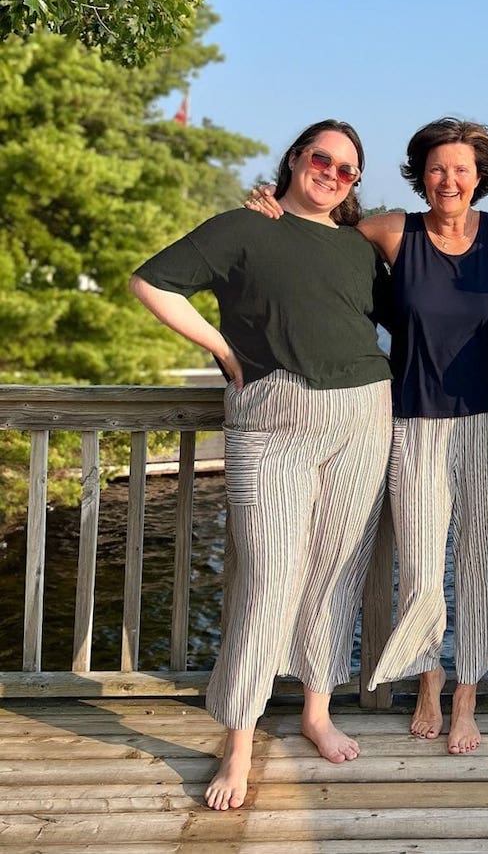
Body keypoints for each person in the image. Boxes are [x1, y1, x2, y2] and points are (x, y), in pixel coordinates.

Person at [247, 117, 488, 754]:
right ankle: (428, 681)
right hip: (412, 424)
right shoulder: (391, 232)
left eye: (461, 169)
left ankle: (465, 698)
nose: (448, 180)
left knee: (485, 568)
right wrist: (271, 210)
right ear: (420, 175)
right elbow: (317, 235)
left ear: (481, 176)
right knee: (423, 571)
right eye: (436, 168)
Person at [130, 120, 393, 809]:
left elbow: (417, 311)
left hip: (364, 415)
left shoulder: (359, 248)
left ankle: (315, 712)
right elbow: (152, 282)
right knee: (266, 581)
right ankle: (238, 742)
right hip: (272, 421)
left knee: (335, 573)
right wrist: (223, 349)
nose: (331, 173)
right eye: (321, 159)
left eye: (347, 169)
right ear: (296, 159)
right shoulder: (245, 227)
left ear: (355, 183)